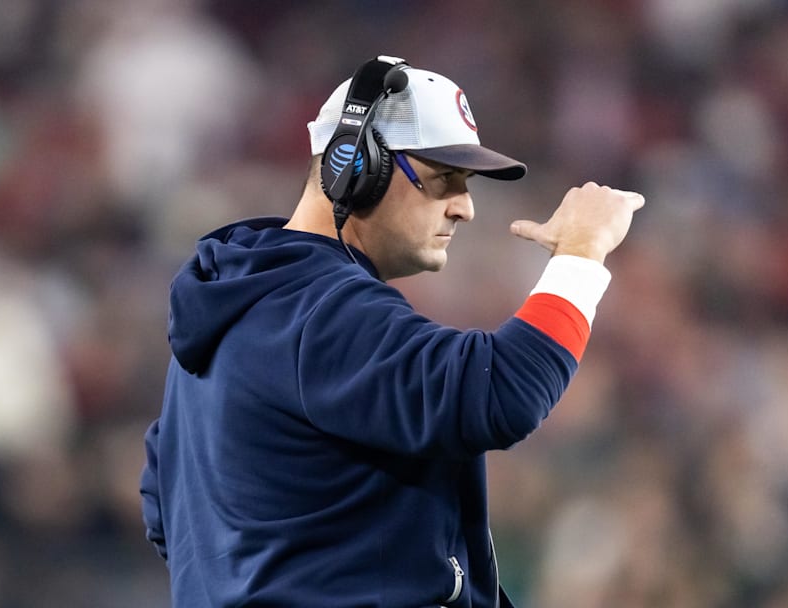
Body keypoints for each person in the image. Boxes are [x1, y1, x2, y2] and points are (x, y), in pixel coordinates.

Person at [140, 55, 645, 608]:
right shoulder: (320, 310)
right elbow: (500, 391)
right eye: (442, 179)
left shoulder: (242, 304)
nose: (465, 208)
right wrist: (582, 254)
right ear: (353, 167)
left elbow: (165, 508)